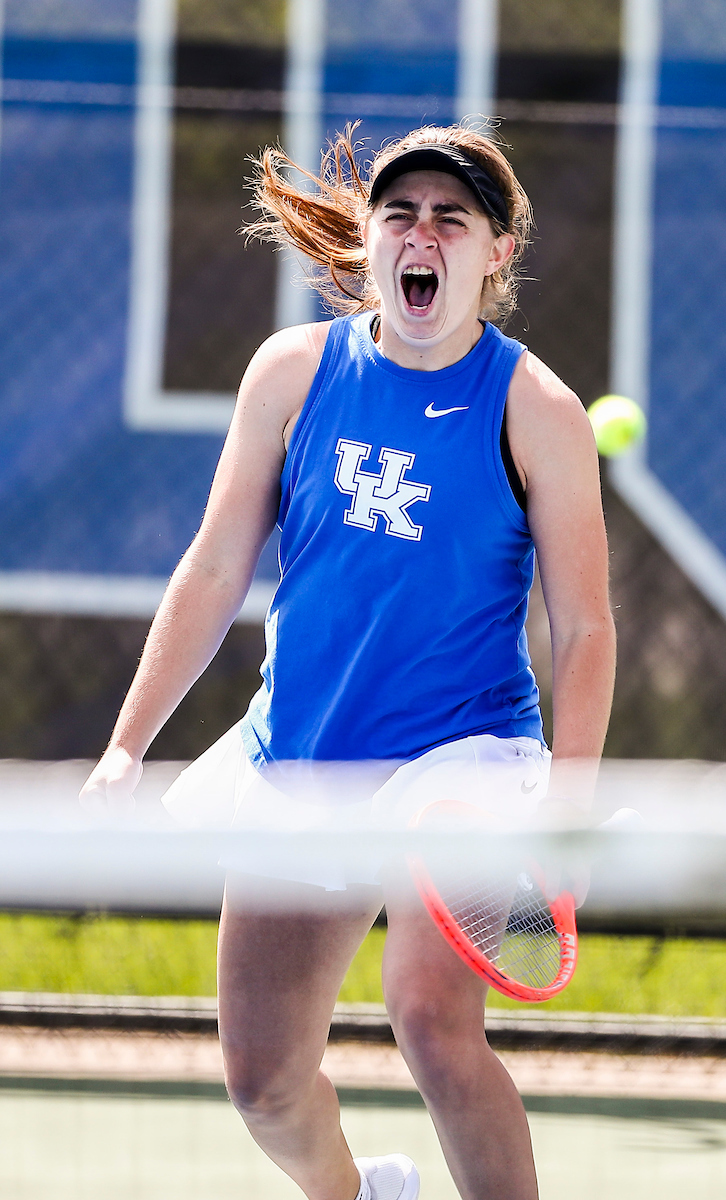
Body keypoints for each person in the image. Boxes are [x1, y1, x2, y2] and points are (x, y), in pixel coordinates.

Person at [81, 123, 615, 1200]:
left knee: (427, 1020)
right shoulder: (292, 371)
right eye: (399, 214)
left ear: (494, 253)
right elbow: (215, 566)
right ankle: (358, 1194)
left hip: (461, 763)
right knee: (263, 1084)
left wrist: (564, 804)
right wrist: (124, 750)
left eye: (450, 219)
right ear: (370, 241)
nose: (422, 235)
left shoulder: (535, 412)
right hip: (307, 756)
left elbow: (587, 628)